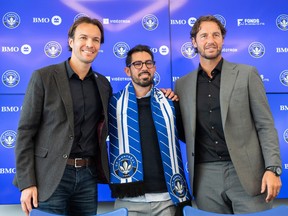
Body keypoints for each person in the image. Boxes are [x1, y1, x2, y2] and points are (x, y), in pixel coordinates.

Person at [174, 15, 282, 214]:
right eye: (204, 35)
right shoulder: (182, 84)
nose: (210, 40)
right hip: (205, 177)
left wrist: (273, 169)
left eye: (216, 34)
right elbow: (185, 133)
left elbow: (265, 125)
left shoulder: (247, 74)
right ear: (194, 42)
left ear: (223, 39)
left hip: (248, 174)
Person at [13, 17, 112, 216]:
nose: (90, 44)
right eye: (83, 37)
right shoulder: (44, 77)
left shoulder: (103, 85)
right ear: (71, 41)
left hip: (87, 177)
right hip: (50, 176)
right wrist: (27, 183)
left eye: (96, 40)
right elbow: (25, 133)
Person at [108, 44, 192, 216]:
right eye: (137, 64)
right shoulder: (112, 105)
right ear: (127, 70)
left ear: (154, 68)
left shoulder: (171, 102)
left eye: (148, 63)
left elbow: (189, 138)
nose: (144, 68)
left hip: (167, 199)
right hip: (128, 201)